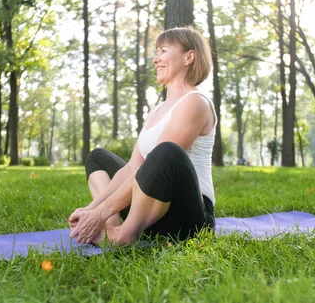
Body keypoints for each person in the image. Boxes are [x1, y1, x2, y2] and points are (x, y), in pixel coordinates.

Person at [68, 27, 217, 245]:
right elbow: (131, 168)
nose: (156, 59)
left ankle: (123, 235)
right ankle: (112, 224)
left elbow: (157, 163)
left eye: (163, 50)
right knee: (97, 157)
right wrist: (92, 209)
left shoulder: (195, 103)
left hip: (189, 216)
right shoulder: (157, 110)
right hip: (152, 209)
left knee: (165, 152)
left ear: (189, 57)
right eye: (156, 52)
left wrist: (99, 213)